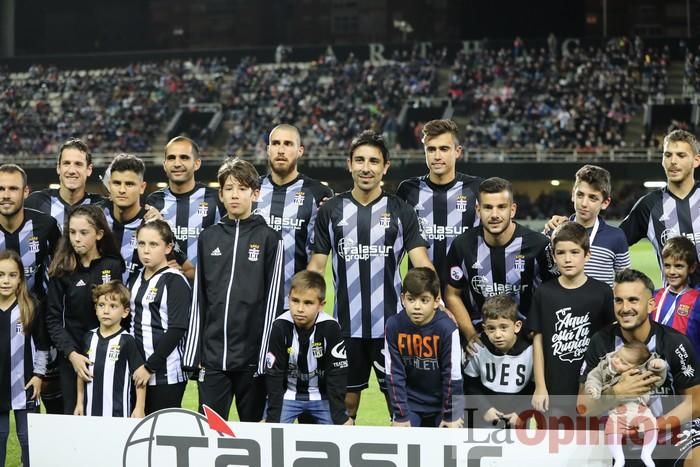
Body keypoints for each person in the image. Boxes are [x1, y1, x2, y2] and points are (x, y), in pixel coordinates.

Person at [307, 130, 433, 422]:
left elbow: (422, 264)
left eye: (374, 161)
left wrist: (436, 303)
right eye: (360, 160)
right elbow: (316, 266)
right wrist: (305, 307)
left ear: (385, 167)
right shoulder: (331, 210)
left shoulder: (402, 211)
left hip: (392, 328)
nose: (366, 167)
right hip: (344, 328)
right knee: (345, 409)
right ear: (349, 164)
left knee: (401, 410)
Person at [183, 158, 284, 421]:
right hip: (213, 358)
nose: (235, 194)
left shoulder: (270, 238)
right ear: (221, 194)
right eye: (229, 188)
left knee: (255, 433)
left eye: (241, 188)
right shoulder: (209, 237)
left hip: (252, 358)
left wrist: (265, 355)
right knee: (210, 431)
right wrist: (195, 353)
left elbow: (273, 300)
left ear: (255, 193)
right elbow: (199, 298)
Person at [578, 269, 700, 467]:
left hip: (671, 436)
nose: (625, 308)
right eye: (619, 300)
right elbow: (583, 407)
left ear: (651, 304)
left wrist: (655, 425)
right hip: (618, 441)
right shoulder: (600, 343)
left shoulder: (675, 343)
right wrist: (616, 393)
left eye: (633, 300)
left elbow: (696, 403)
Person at [445, 177, 554, 341]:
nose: (494, 214)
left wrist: (537, 334)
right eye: (488, 207)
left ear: (512, 210)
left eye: (501, 207)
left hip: (527, 341)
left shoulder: (538, 245)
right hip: (481, 341)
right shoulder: (462, 246)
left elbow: (555, 294)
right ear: (478, 210)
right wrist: (470, 335)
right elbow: (452, 294)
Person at [45, 205, 124, 414]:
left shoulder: (113, 266)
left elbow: (122, 312)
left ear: (99, 234)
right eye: (72, 232)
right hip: (73, 357)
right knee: (74, 417)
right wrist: (71, 354)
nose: (76, 238)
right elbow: (53, 319)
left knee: (108, 414)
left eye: (83, 233)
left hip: (109, 354)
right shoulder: (61, 270)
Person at [530, 221, 614, 415]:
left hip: (592, 390)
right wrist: (540, 386)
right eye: (561, 253)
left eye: (574, 252)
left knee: (591, 442)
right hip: (554, 390)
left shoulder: (602, 292)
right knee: (553, 443)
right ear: (553, 256)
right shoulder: (544, 293)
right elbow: (538, 340)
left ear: (587, 255)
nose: (568, 259)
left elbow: (611, 343)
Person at [396, 119, 482, 292]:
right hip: (421, 295)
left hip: (466, 293)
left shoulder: (477, 188)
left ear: (457, 152)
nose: (437, 156)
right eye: (431, 149)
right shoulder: (408, 190)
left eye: (444, 149)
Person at [254, 124, 333, 303]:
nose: (281, 150)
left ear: (300, 151)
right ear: (268, 149)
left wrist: (305, 297)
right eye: (276, 143)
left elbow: (320, 253)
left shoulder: (319, 193)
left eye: (288, 144)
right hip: (253, 303)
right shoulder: (251, 189)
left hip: (296, 303)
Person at [265, 270, 351, 425]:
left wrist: (340, 415)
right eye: (295, 301)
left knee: (343, 432)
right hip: (288, 396)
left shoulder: (330, 328)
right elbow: (274, 374)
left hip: (322, 398)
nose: (299, 309)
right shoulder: (280, 326)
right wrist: (271, 417)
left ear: (321, 305)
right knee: (269, 432)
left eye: (308, 303)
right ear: (288, 299)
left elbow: (337, 373)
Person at [384, 267, 464, 428]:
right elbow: (393, 374)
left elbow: (452, 376)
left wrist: (450, 415)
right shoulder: (393, 325)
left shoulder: (447, 329)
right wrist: (401, 415)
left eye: (424, 300)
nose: (417, 306)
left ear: (436, 301)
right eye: (411, 299)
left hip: (442, 404)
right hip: (410, 403)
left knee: (450, 446)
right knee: (402, 443)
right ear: (402, 299)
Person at [619, 129, 700, 286]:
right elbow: (612, 240)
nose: (673, 161)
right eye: (668, 155)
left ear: (696, 160)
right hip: (674, 307)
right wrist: (573, 223)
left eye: (681, 155)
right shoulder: (649, 206)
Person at [130, 220, 191, 414]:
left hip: (165, 374)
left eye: (153, 244)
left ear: (168, 247)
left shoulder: (175, 280)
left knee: (161, 433)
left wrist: (149, 366)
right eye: (141, 244)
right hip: (136, 371)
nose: (146, 250)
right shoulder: (136, 278)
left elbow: (177, 329)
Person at [146, 136, 223, 279]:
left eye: (184, 157)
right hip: (166, 289)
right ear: (164, 164)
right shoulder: (154, 201)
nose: (177, 163)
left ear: (197, 163)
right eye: (171, 158)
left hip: (206, 290)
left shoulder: (216, 199)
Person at [101, 154, 186, 284]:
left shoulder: (154, 223)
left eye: (129, 184)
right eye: (117, 183)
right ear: (109, 185)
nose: (122, 190)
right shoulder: (98, 218)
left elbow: (186, 268)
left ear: (142, 187)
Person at [544, 164, 631, 287]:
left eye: (593, 198)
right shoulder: (554, 231)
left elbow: (625, 282)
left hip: (601, 306)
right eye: (580, 195)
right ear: (573, 195)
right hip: (562, 305)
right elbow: (543, 274)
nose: (584, 203)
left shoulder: (616, 237)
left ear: (605, 203)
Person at [584, 341, 668, 467]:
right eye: (618, 356)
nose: (616, 361)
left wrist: (659, 367)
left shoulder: (640, 374)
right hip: (617, 411)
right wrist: (593, 389)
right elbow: (593, 377)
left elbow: (657, 380)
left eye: (624, 362)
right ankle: (618, 458)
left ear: (636, 367)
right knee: (611, 432)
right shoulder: (605, 365)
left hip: (640, 408)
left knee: (652, 426)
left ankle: (646, 454)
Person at [0, 251, 48, 467]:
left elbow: (42, 345)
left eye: (12, 275)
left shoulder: (31, 306)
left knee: (28, 439)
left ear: (20, 278)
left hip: (26, 383)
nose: (5, 280)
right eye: (0, 275)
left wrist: (38, 375)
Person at [74, 281, 145, 418]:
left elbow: (140, 377)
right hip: (90, 413)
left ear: (125, 312)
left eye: (113, 306)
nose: (106, 311)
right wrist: (79, 403)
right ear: (95, 308)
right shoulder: (88, 338)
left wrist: (139, 407)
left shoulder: (127, 341)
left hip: (118, 414)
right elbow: (81, 373)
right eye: (101, 305)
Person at [463, 294, 533, 429]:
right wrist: (484, 409)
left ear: (517, 326)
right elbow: (470, 385)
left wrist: (521, 413)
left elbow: (534, 388)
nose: (498, 334)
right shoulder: (478, 347)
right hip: (485, 416)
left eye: (503, 327)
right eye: (491, 328)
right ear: (484, 328)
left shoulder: (531, 350)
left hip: (517, 417)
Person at [25, 138, 105, 233]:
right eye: (66, 163)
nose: (71, 171)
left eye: (78, 164)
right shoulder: (36, 202)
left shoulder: (102, 206)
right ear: (58, 168)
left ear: (89, 169)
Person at [652, 236, 700, 355]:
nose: (672, 272)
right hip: (656, 368)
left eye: (678, 266)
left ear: (692, 267)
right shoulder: (654, 296)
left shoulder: (697, 299)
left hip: (691, 369)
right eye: (667, 266)